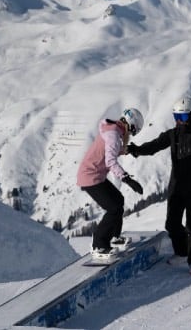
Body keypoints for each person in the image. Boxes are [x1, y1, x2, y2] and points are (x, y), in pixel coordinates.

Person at [128, 97, 191, 275]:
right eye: (176, 117)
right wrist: (135, 150)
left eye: (184, 118)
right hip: (176, 188)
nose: (180, 121)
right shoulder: (173, 134)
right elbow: (154, 146)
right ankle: (181, 253)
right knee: (171, 224)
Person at [76, 107, 145, 264]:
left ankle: (114, 237)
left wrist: (127, 150)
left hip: (95, 175)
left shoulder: (113, 131)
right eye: (133, 131)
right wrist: (127, 179)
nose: (131, 135)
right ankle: (99, 245)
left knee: (118, 200)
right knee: (113, 208)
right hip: (90, 177)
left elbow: (111, 150)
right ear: (130, 125)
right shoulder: (114, 134)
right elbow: (110, 161)